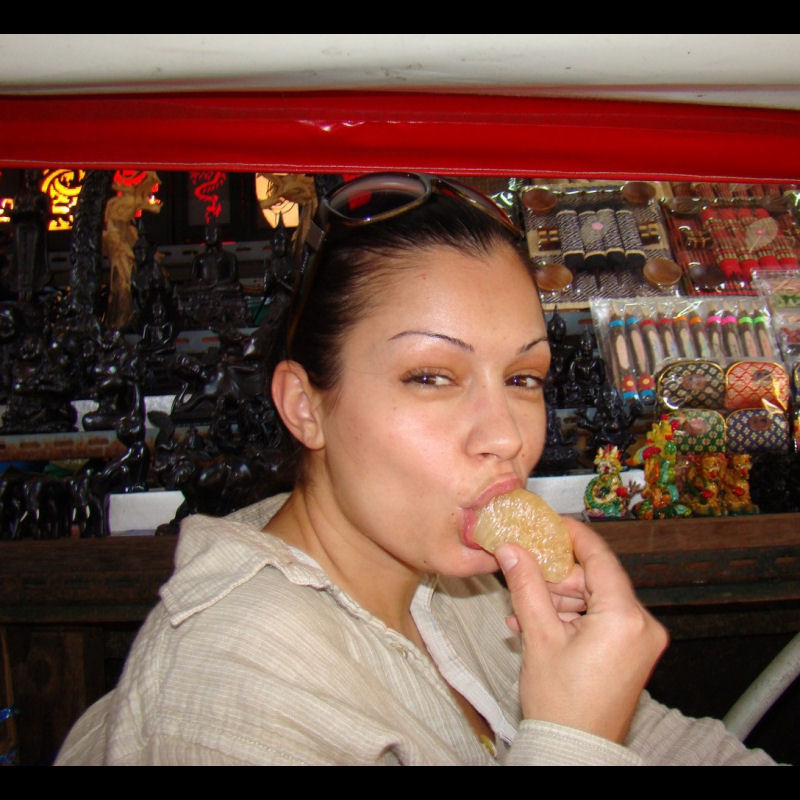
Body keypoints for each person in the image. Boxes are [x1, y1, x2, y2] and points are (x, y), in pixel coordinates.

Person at [56, 173, 773, 765]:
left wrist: (587, 683)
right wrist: (575, 738)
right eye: (431, 376)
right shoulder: (231, 689)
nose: (506, 437)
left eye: (523, 378)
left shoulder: (465, 587)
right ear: (305, 406)